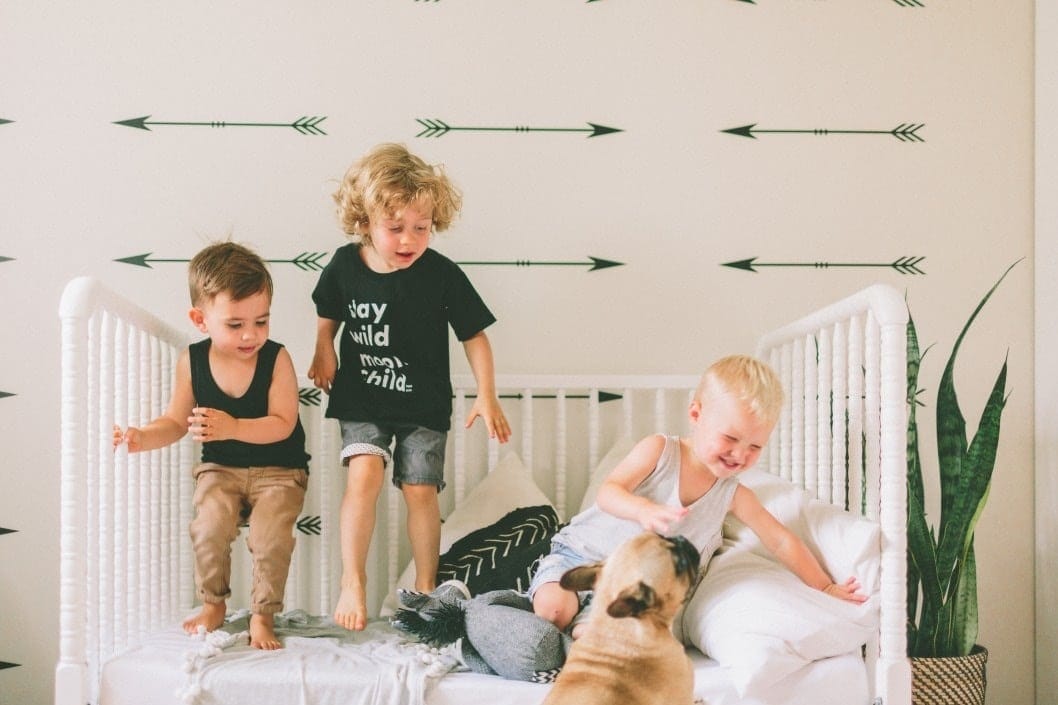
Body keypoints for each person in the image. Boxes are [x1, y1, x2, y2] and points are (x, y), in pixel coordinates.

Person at [309, 143, 511, 631]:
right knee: (365, 475)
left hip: (422, 401)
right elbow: (327, 313)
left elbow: (475, 336)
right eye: (395, 227)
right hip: (363, 396)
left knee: (421, 490)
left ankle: (425, 588)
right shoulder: (343, 265)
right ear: (364, 221)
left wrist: (487, 393)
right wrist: (323, 347)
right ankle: (352, 580)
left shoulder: (441, 274)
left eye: (420, 228)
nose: (408, 239)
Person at [529, 354, 866, 637]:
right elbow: (608, 493)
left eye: (754, 446)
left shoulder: (732, 493)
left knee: (604, 639)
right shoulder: (660, 451)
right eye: (730, 437)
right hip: (583, 559)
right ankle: (527, 622)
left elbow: (780, 541)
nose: (739, 454)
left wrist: (824, 588)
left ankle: (572, 642)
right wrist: (641, 509)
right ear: (695, 415)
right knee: (553, 609)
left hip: (636, 593)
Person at [113, 241, 310, 650]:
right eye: (235, 324)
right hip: (220, 470)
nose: (250, 335)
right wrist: (142, 437)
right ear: (200, 320)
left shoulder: (277, 359)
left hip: (280, 470)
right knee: (208, 527)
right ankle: (213, 603)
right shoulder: (192, 361)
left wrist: (233, 425)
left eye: (261, 321)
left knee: (270, 535)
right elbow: (174, 421)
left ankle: (262, 615)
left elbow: (283, 424)